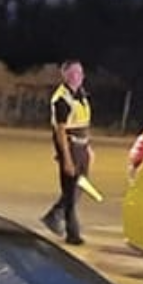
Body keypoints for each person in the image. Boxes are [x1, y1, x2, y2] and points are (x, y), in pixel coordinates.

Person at [41, 59, 91, 245]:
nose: (78, 76)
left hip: (82, 148)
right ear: (65, 75)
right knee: (70, 192)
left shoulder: (81, 95)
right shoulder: (61, 99)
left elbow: (83, 124)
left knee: (80, 186)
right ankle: (73, 234)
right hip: (70, 148)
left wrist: (88, 148)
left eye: (80, 72)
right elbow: (60, 131)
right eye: (73, 73)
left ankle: (54, 215)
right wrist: (66, 158)